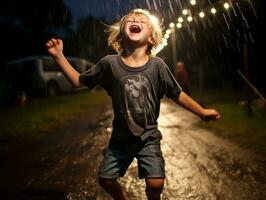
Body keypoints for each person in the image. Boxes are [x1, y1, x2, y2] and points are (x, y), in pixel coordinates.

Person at [46, 8, 220, 200]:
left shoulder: (158, 66)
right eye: (129, 19)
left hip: (148, 138)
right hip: (120, 140)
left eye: (142, 20)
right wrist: (58, 56)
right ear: (120, 35)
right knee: (105, 180)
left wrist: (202, 112)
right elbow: (78, 81)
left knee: (156, 184)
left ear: (152, 39)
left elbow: (177, 94)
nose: (136, 18)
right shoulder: (109, 64)